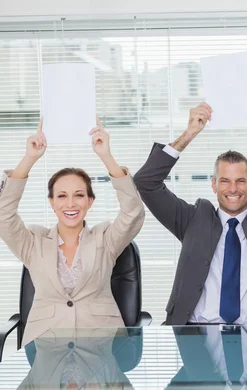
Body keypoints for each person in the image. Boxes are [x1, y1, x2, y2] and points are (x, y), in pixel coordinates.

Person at [133, 93, 247, 325]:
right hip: (196, 337)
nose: (233, 189)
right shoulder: (192, 220)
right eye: (224, 181)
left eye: (241, 181)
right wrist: (189, 134)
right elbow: (146, 183)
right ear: (213, 184)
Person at [0, 118, 145, 346]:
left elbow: (133, 213)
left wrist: (106, 156)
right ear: (52, 203)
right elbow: (4, 216)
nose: (71, 204)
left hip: (101, 346)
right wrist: (29, 159)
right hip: (46, 346)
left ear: (90, 201)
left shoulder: (105, 239)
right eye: (62, 196)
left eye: (79, 195)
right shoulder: (33, 242)